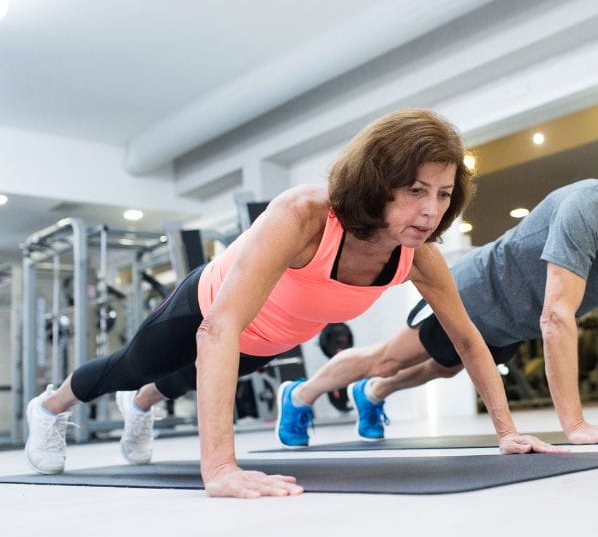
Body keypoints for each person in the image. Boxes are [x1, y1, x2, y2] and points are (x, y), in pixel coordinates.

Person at [23, 109, 563, 500]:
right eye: (416, 190)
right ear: (378, 183)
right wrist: (220, 468)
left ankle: (140, 406)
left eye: (443, 194)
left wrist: (507, 431)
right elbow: (218, 329)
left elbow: (469, 338)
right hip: (208, 310)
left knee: (182, 381)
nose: (430, 209)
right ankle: (50, 408)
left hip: (272, 337)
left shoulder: (417, 254)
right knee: (133, 367)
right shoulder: (305, 215)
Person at [278, 151, 598, 447]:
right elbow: (557, 315)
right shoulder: (589, 208)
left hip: (511, 324)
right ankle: (299, 395)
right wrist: (576, 425)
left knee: (442, 368)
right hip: (472, 295)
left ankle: (372, 395)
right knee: (388, 358)